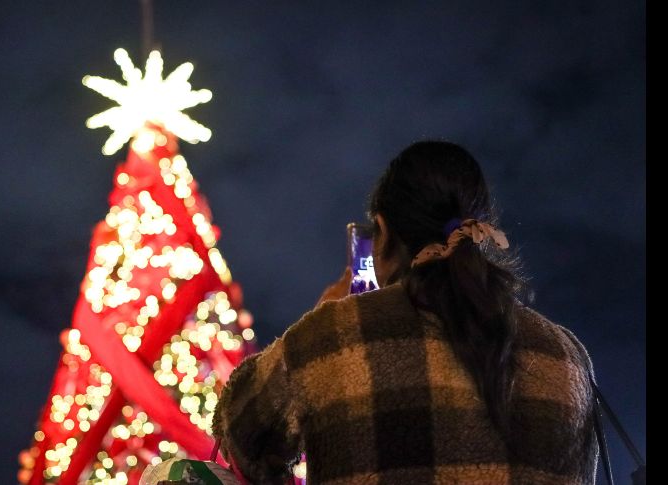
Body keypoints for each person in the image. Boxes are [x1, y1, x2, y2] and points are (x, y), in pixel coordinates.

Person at [211, 141, 598, 484]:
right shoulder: (566, 356)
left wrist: (321, 318)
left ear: (382, 231)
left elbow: (240, 437)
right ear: (479, 231)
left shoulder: (333, 335)